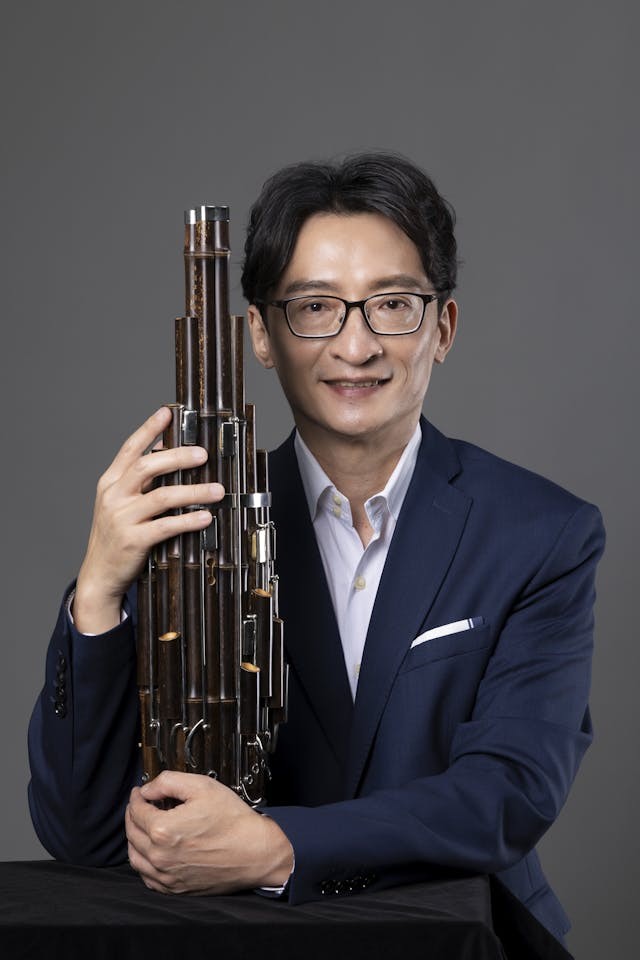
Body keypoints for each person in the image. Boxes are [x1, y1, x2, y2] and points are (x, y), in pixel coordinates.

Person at [28, 153, 604, 944]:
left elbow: (509, 791)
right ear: (260, 335)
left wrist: (280, 847)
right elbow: (82, 833)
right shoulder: (194, 526)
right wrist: (96, 592)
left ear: (442, 328)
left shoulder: (541, 532)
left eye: (392, 305)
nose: (355, 346)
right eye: (315, 308)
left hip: (461, 943)